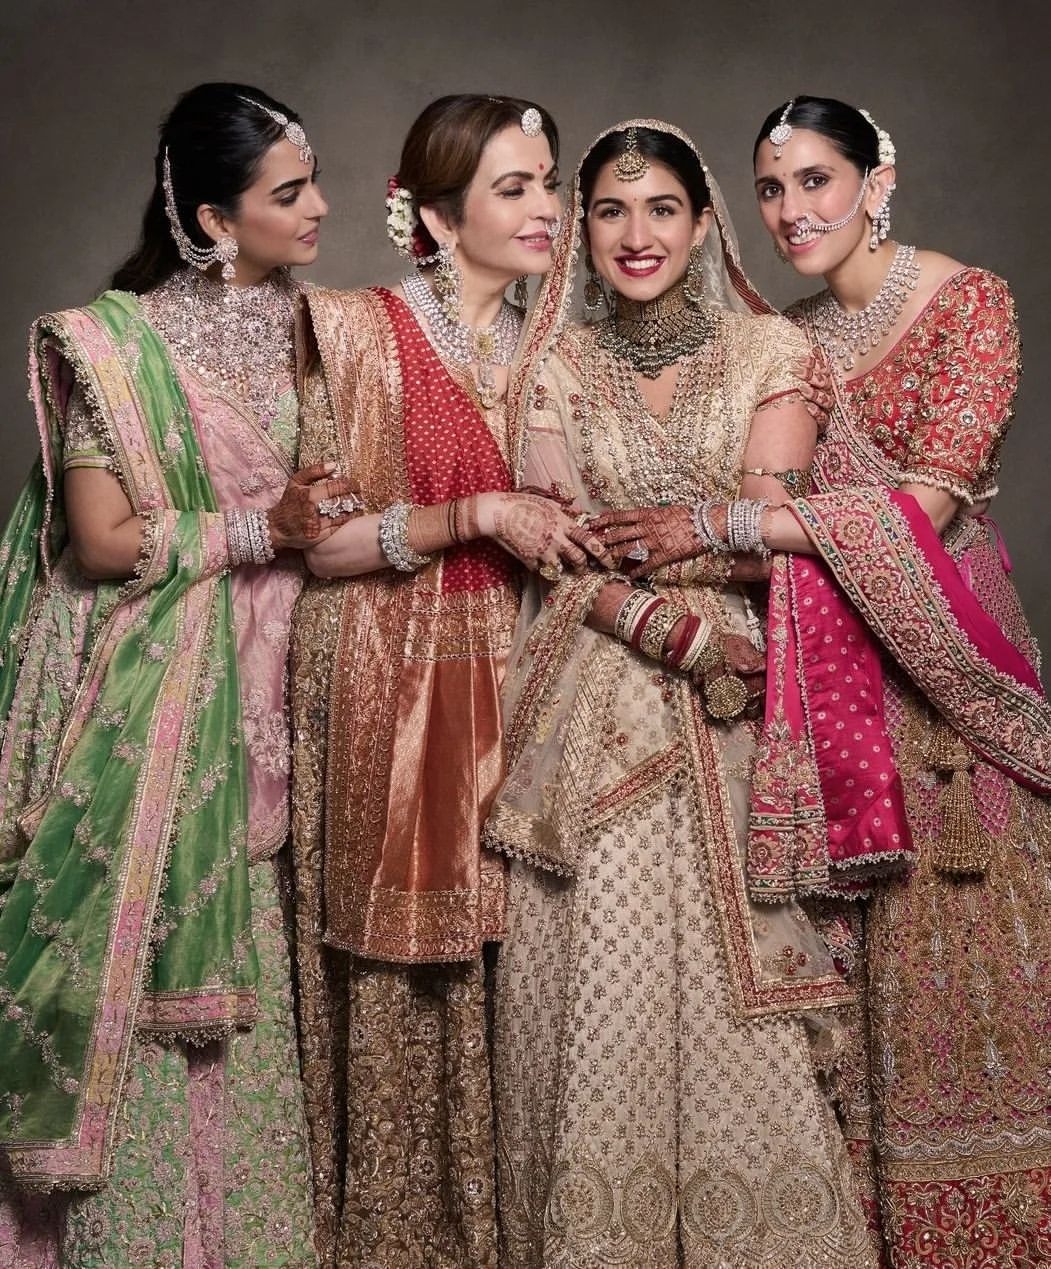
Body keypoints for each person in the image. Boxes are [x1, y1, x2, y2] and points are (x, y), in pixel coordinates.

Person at [599, 96, 1051, 1265]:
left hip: (943, 662)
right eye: (771, 187)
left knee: (977, 955)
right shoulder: (783, 338)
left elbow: (926, 509)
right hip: (826, 674)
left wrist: (709, 521)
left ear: (875, 180)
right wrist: (670, 541)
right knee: (857, 972)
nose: (792, 210)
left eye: (815, 180)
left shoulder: (969, 302)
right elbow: (765, 531)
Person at [485, 120, 875, 1268]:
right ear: (582, 228)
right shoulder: (551, 367)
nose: (635, 233)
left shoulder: (770, 353)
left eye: (661, 208)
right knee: (595, 977)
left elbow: (774, 530)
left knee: (734, 985)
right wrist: (668, 619)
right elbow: (562, 552)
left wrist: (689, 551)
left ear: (704, 224)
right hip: (591, 709)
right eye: (610, 209)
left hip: (739, 712)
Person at [0, 81, 346, 1266]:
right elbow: (102, 541)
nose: (319, 208)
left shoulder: (325, 331)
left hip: (279, 681)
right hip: (152, 693)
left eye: (313, 183)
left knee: (251, 983)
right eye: (289, 193)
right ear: (212, 218)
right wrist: (263, 529)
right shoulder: (119, 345)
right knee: (141, 979)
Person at [287, 94, 601, 1268]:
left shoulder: (560, 350)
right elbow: (323, 547)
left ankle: (510, 1233)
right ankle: (398, 1238)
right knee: (400, 973)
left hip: (529, 682)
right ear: (433, 216)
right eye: (514, 187)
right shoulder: (353, 332)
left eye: (549, 182)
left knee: (530, 961)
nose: (546, 207)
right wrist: (475, 514)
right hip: (387, 681)